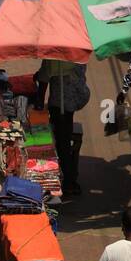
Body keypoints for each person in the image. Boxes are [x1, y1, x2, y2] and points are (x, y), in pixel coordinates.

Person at [36, 59, 89, 198]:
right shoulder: (78, 54)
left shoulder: (54, 57)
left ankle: (68, 182)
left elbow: (43, 78)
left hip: (61, 105)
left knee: (62, 143)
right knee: (63, 140)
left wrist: (39, 103)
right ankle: (68, 177)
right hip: (70, 102)